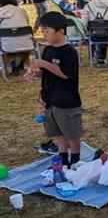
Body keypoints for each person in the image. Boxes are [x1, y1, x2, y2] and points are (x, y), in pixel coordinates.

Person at [25, 12, 83, 169]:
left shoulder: (69, 52)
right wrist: (35, 73)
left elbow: (65, 74)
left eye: (47, 31)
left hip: (66, 100)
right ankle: (63, 160)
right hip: (51, 100)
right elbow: (47, 72)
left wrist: (44, 64)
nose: (44, 34)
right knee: (59, 132)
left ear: (61, 31)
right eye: (42, 31)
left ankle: (75, 161)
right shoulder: (48, 50)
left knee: (72, 133)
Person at [0, 0, 32, 75]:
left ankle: (14, 67)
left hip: (7, 45)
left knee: (6, 41)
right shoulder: (22, 11)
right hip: (27, 44)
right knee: (19, 40)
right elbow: (27, 24)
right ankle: (21, 64)